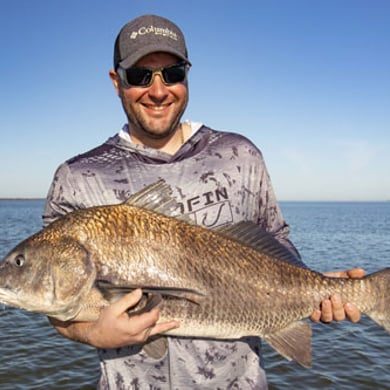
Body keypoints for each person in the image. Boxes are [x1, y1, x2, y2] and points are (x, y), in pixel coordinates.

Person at [43, 14, 365, 389]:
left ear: (188, 74)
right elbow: (56, 300)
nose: (159, 90)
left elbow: (276, 242)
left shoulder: (239, 154)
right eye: (139, 76)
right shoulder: (77, 177)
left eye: (173, 72)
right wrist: (95, 332)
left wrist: (314, 287)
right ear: (116, 82)